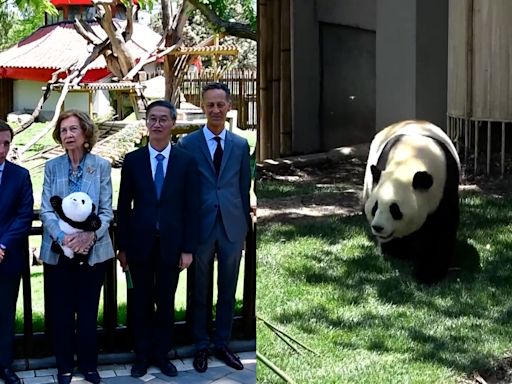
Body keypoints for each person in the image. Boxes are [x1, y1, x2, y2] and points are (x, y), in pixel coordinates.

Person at [116, 99, 200, 378]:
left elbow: (192, 208)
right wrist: (123, 247)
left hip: (172, 246)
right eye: (152, 118)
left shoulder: (186, 162)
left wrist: (188, 249)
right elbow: (124, 206)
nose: (157, 124)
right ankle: (141, 355)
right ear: (146, 122)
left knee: (165, 302)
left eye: (164, 119)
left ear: (173, 124)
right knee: (139, 302)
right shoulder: (133, 160)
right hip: (139, 245)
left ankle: (162, 355)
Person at [177, 83, 251, 373]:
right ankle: (200, 345)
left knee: (228, 287)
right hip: (201, 226)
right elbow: (183, 191)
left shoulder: (241, 145)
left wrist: (244, 225)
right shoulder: (188, 145)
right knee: (199, 288)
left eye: (221, 104)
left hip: (232, 226)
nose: (216, 110)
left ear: (229, 106)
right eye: (211, 105)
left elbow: (243, 187)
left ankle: (222, 342)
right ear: (203, 107)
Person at [40, 110, 115, 384]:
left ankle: (89, 365)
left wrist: (88, 238)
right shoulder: (52, 167)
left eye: (73, 129)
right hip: (58, 253)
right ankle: (64, 366)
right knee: (60, 312)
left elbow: (106, 212)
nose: (68, 135)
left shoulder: (101, 166)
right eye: (63, 130)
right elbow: (46, 210)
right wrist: (63, 238)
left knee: (86, 312)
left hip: (92, 254)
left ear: (85, 134)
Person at [0, 121, 34, 384]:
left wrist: (2, 245)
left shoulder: (20, 175)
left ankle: (4, 366)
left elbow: (24, 217)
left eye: (6, 144)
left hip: (8, 258)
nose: (2, 149)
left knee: (5, 316)